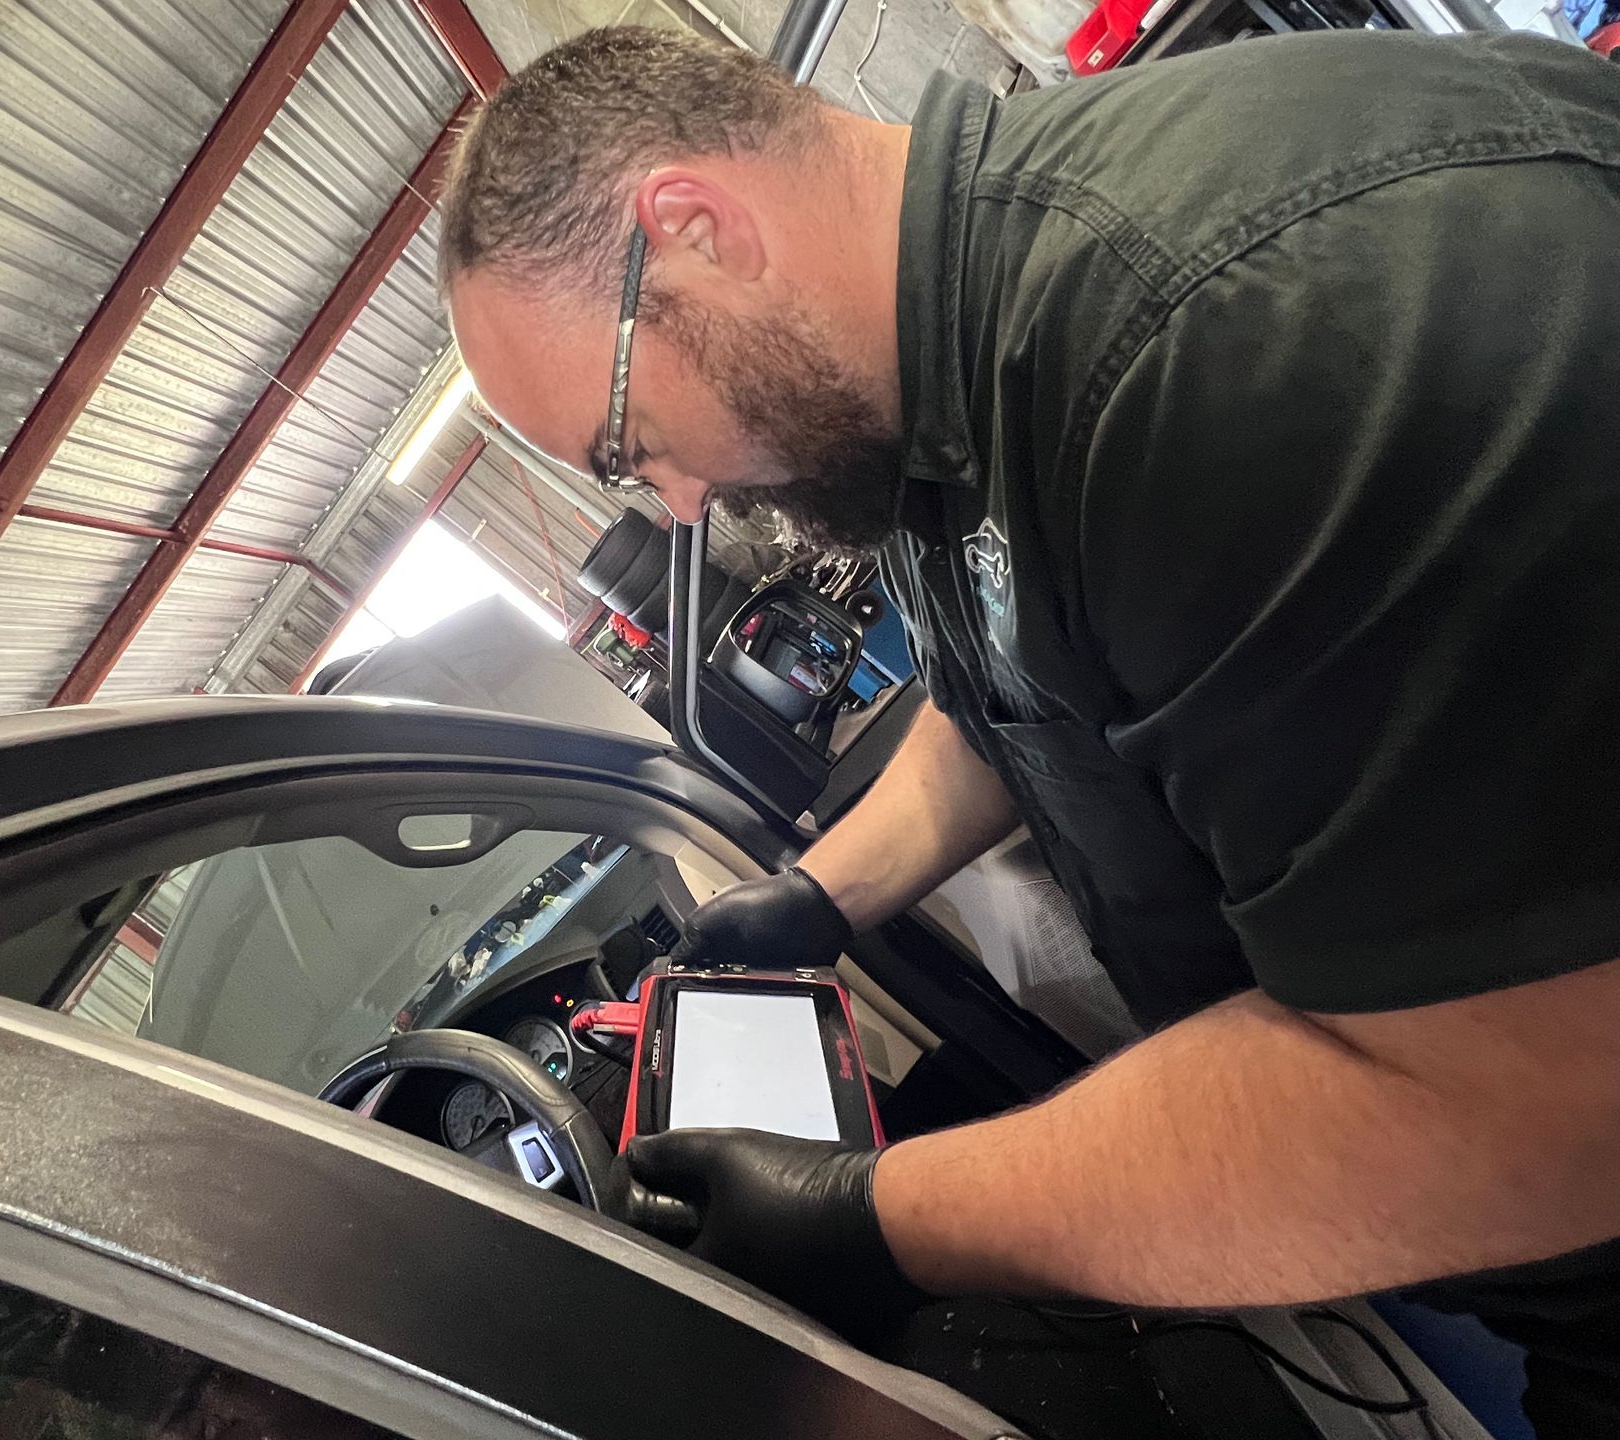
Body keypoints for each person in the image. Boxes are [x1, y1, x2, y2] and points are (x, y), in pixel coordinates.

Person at [440, 25, 1620, 1435]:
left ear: (692, 232)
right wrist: (822, 896)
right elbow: (1003, 692)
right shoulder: (967, 385)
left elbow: (1506, 1106)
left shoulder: (1200, 361)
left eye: (627, 444)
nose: (682, 506)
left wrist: (878, 1221)